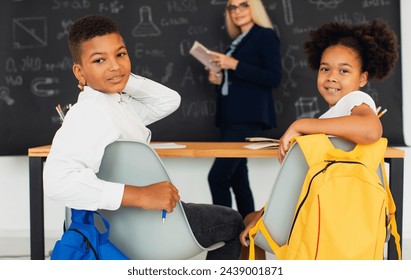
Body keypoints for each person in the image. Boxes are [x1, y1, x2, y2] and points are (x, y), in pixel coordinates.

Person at [43, 14, 244, 260]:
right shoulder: (92, 112)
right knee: (233, 222)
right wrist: (140, 195)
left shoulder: (115, 105)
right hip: (133, 223)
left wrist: (119, 79)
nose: (115, 65)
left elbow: (169, 101)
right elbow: (57, 182)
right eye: (99, 60)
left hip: (128, 221)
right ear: (79, 72)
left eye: (120, 54)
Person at [239, 18, 399, 259]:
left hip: (323, 216)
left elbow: (371, 130)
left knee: (248, 221)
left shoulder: (355, 100)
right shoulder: (333, 117)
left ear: (363, 79)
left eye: (344, 71)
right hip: (344, 217)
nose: (332, 77)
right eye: (325, 69)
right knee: (256, 217)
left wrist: (300, 124)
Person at [206, 0, 282, 219]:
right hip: (231, 118)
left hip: (246, 118)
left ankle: (224, 235)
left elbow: (274, 78)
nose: (237, 11)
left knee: (217, 177)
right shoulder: (238, 41)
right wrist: (218, 78)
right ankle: (247, 238)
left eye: (243, 5)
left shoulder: (265, 35)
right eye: (232, 7)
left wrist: (234, 65)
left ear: (253, 8)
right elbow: (239, 84)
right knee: (238, 179)